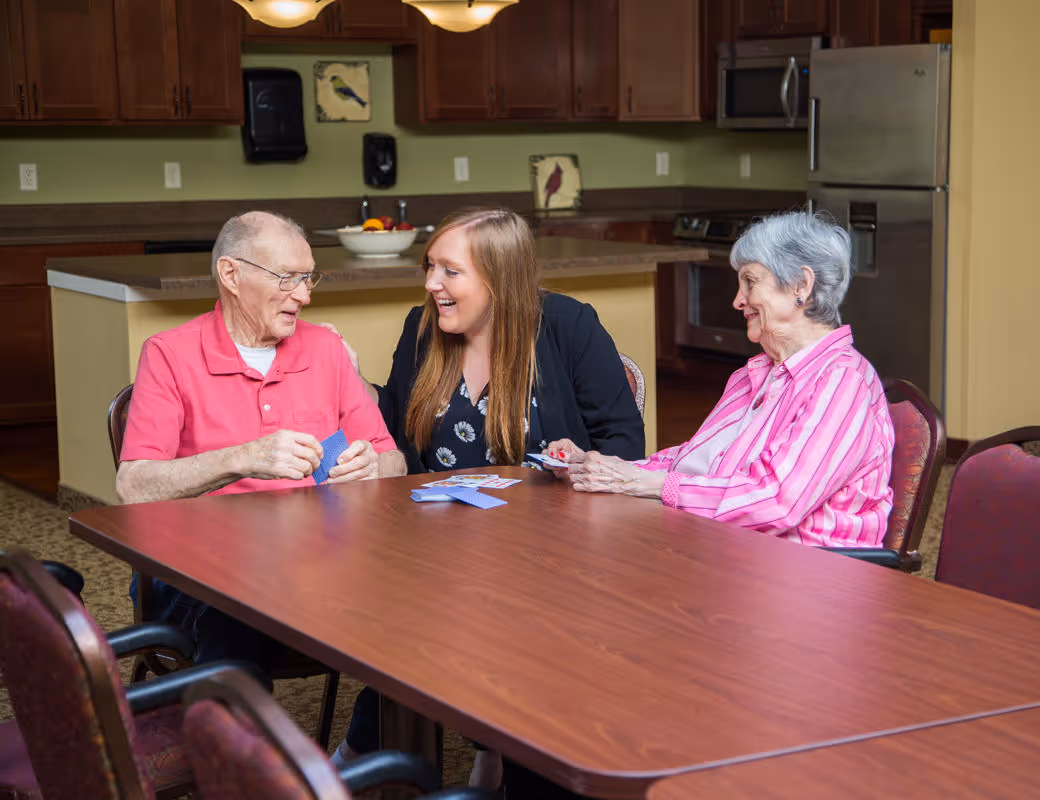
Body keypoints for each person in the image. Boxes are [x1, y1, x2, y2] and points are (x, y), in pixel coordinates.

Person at [325, 206, 644, 784]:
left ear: (497, 277)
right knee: (412, 605)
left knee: (460, 613)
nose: (431, 285)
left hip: (551, 555)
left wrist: (583, 459)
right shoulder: (422, 331)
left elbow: (626, 443)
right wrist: (348, 381)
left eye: (449, 271)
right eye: (429, 268)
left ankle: (372, 760)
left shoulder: (570, 327)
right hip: (434, 550)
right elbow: (395, 436)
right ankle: (451, 750)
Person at [117, 210, 406, 666]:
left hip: (319, 566)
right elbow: (133, 485)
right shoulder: (169, 354)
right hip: (203, 578)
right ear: (230, 274)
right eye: (287, 278)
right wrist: (241, 458)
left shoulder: (326, 350)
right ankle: (240, 739)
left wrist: (373, 466)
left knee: (414, 604)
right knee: (240, 611)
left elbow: (395, 463)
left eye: (309, 278)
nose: (305, 296)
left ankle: (368, 740)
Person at [549, 210, 895, 549]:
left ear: (801, 286)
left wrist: (643, 483)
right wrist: (599, 469)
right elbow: (692, 461)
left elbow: (776, 501)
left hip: (809, 575)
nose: (737, 300)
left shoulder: (841, 381)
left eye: (751, 282)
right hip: (728, 552)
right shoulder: (755, 374)